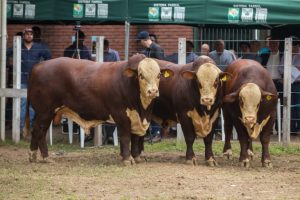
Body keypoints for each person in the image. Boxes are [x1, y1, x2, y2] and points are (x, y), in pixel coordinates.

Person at [6, 28, 52, 131]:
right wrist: (9, 65)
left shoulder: (39, 47)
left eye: (31, 34)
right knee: (22, 104)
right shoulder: (17, 46)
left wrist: (43, 70)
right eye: (27, 34)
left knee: (32, 105)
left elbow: (49, 57)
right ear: (23, 36)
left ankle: (28, 126)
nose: (29, 36)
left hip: (35, 81)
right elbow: (5, 53)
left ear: (33, 36)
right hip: (21, 80)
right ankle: (21, 127)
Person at [137, 31, 165, 142]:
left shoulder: (157, 49)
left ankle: (157, 133)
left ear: (144, 40)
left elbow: (161, 65)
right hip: (148, 84)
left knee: (155, 108)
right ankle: (151, 133)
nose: (140, 44)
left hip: (155, 84)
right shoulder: (147, 51)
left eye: (140, 41)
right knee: (149, 107)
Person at [279, 36, 300, 135]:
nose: (293, 49)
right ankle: (289, 129)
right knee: (287, 106)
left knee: (297, 106)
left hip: (298, 84)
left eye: (294, 47)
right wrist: (293, 69)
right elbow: (281, 68)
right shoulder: (285, 54)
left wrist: (290, 68)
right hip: (287, 83)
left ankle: (297, 128)